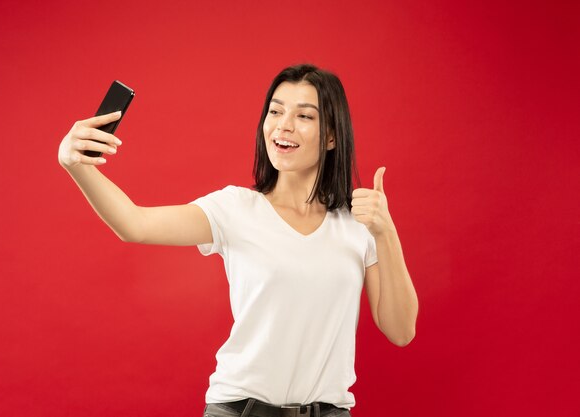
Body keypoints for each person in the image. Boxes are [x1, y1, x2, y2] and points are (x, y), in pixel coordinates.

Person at [58, 64, 419, 417]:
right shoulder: (235, 209)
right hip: (241, 410)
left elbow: (401, 331)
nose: (284, 125)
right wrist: (76, 164)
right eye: (275, 111)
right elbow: (134, 224)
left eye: (304, 116)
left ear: (331, 136)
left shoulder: (357, 223)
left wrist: (386, 233)